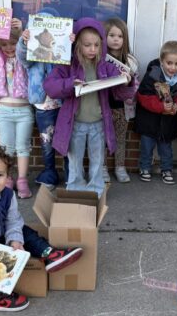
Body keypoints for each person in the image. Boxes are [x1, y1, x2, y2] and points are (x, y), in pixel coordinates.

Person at [0, 145, 83, 312]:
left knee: (25, 231)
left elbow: (13, 220)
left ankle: (49, 254)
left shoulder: (8, 195)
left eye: (0, 175)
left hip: (3, 233)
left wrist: (15, 240)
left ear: (7, 176)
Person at [43, 18, 132, 196]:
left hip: (98, 123)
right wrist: (70, 83)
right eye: (87, 45)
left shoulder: (106, 66)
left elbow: (121, 93)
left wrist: (126, 81)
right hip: (75, 124)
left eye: (96, 45)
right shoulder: (68, 65)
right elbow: (50, 87)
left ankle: (95, 191)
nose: (92, 49)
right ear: (77, 44)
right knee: (75, 161)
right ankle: (75, 190)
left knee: (97, 160)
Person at [0, 15, 33, 199]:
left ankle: (22, 180)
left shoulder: (24, 59)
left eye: (13, 43)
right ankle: (8, 178)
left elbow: (30, 50)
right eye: (4, 44)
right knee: (7, 147)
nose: (9, 47)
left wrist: (23, 33)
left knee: (23, 147)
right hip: (3, 112)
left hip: (24, 110)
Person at [17, 9, 70, 191]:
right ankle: (49, 173)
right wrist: (24, 41)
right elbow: (23, 59)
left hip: (63, 103)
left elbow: (71, 62)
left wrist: (69, 43)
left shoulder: (59, 48)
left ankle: (70, 174)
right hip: (43, 104)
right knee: (47, 141)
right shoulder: (32, 48)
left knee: (66, 139)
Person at [135, 41, 177, 184]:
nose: (173, 67)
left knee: (166, 148)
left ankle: (166, 169)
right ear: (162, 61)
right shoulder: (152, 75)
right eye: (169, 63)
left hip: (168, 122)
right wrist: (161, 107)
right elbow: (143, 96)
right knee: (147, 147)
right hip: (149, 121)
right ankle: (145, 168)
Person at [103, 17, 139, 183]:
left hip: (122, 108)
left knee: (120, 139)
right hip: (103, 107)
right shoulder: (100, 58)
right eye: (112, 35)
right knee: (102, 139)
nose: (116, 39)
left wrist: (129, 80)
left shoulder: (130, 61)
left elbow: (135, 86)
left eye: (120, 36)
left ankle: (120, 167)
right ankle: (102, 168)